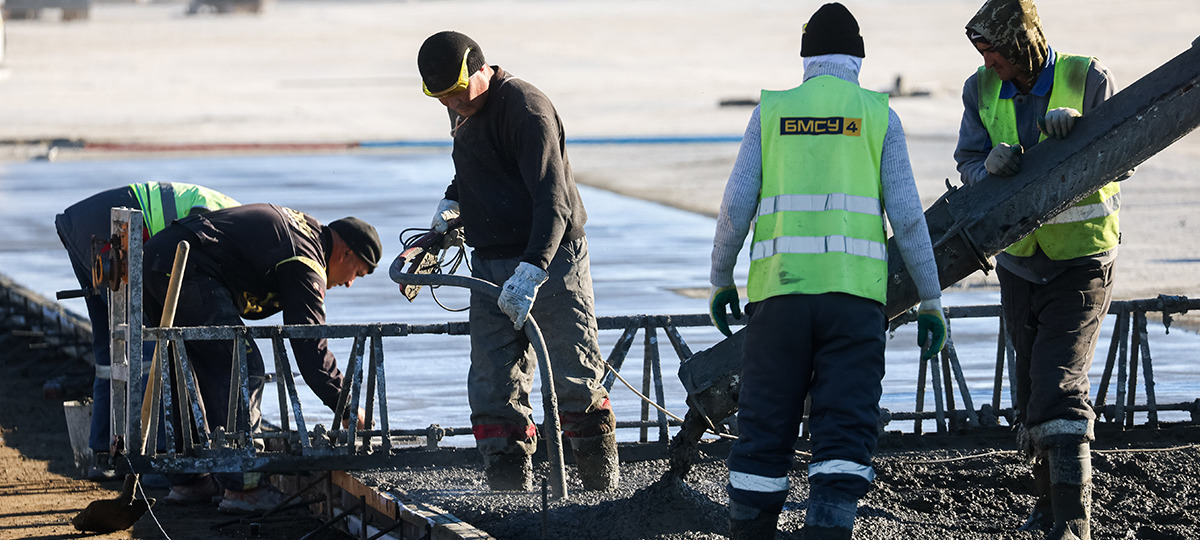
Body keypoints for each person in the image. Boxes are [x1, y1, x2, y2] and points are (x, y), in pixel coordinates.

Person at [708, 4, 947, 538]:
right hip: (854, 304)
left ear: (806, 59)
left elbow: (735, 207)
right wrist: (930, 298)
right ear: (858, 58)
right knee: (843, 425)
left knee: (765, 423)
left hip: (778, 300)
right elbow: (908, 218)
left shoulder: (771, 113)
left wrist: (721, 277)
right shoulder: (879, 115)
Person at [415, 30, 619, 492]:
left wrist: (533, 269)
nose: (453, 104)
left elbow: (553, 201)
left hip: (551, 260)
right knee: (493, 386)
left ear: (480, 68)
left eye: (457, 93)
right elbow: (476, 165)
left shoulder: (526, 110)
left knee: (574, 380)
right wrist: (453, 203)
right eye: (442, 98)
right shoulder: (462, 107)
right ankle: (509, 496)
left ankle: (600, 492)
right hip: (490, 262)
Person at [953, 1, 1121, 538]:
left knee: (1059, 383)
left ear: (1021, 43)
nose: (990, 63)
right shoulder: (980, 89)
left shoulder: (1087, 78)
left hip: (1081, 260)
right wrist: (986, 167)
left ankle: (1074, 522)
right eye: (983, 53)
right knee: (1030, 392)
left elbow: (1123, 157)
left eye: (996, 52)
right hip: (1020, 263)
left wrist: (1082, 131)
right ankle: (1048, 508)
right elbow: (967, 162)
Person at [141, 203, 380, 513]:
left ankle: (190, 481)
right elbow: (309, 344)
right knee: (244, 366)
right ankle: (245, 488)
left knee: (186, 365)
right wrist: (345, 405)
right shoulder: (305, 260)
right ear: (345, 253)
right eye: (357, 273)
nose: (349, 283)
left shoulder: (303, 232)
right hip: (189, 267)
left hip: (159, 258)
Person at [54, 182, 241, 479]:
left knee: (109, 346)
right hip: (113, 227)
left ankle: (102, 453)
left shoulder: (224, 209)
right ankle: (157, 457)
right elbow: (189, 260)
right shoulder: (222, 215)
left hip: (80, 224)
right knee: (147, 343)